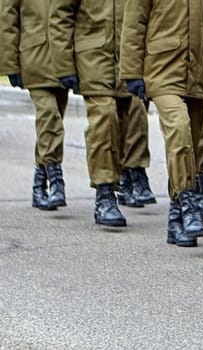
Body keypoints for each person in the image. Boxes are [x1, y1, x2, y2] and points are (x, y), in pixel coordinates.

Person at [50, 0, 151, 227]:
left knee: (125, 122)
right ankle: (104, 194)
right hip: (93, 58)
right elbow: (60, 16)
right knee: (104, 118)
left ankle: (122, 179)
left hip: (129, 60)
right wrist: (64, 65)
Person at [120, 0, 203, 247]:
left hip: (200, 71)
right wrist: (132, 72)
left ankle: (175, 218)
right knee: (179, 128)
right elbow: (134, 22)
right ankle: (188, 202)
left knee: (191, 143)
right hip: (161, 69)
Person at [0, 0, 69, 211]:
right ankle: (56, 179)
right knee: (49, 116)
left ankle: (39, 185)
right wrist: (10, 64)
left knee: (51, 124)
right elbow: (7, 19)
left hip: (63, 63)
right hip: (34, 59)